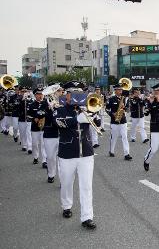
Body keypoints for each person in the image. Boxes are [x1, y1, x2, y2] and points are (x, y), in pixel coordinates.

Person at [53, 81, 99, 230]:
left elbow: (97, 123)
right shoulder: (59, 110)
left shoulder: (86, 108)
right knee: (66, 183)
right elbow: (58, 123)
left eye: (79, 93)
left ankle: (87, 217)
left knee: (86, 186)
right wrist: (77, 119)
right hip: (67, 153)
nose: (75, 96)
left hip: (86, 152)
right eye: (72, 93)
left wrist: (93, 114)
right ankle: (66, 205)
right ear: (66, 95)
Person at [105, 83, 132, 160]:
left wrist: (125, 108)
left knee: (125, 137)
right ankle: (111, 151)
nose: (120, 91)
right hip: (114, 121)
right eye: (119, 89)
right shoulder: (111, 99)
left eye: (121, 89)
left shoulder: (125, 99)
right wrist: (111, 114)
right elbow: (106, 109)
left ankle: (127, 154)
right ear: (115, 90)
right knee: (114, 137)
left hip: (123, 120)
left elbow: (128, 109)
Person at [43, 84, 63, 183]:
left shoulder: (63, 102)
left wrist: (59, 108)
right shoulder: (44, 103)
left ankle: (62, 179)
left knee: (61, 158)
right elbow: (41, 114)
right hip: (50, 133)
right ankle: (51, 174)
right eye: (58, 91)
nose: (60, 93)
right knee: (50, 157)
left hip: (62, 134)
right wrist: (49, 109)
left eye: (60, 91)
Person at [28, 87, 47, 167]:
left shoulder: (46, 104)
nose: (40, 95)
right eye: (38, 94)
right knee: (35, 144)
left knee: (43, 144)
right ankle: (36, 157)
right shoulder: (31, 105)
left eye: (41, 94)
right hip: (35, 127)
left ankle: (44, 161)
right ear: (35, 95)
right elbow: (28, 115)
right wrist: (34, 118)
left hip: (44, 127)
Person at [18, 87, 33, 153]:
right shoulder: (19, 99)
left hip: (29, 119)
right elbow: (17, 108)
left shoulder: (30, 99)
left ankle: (29, 147)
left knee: (28, 133)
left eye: (25, 91)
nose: (24, 93)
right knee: (22, 132)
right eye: (23, 91)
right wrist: (22, 100)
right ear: (21, 92)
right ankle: (24, 145)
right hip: (21, 118)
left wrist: (30, 99)